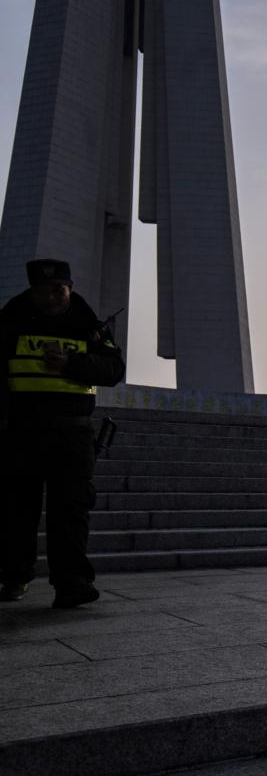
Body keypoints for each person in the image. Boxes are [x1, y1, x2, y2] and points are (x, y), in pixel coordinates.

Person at [0, 259, 125, 608]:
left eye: (59, 289)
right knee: (16, 509)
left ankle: (72, 584)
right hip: (20, 433)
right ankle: (14, 577)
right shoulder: (9, 322)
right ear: (32, 290)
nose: (53, 296)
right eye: (44, 290)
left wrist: (71, 364)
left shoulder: (89, 326)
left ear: (69, 287)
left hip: (72, 436)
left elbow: (114, 369)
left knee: (70, 511)